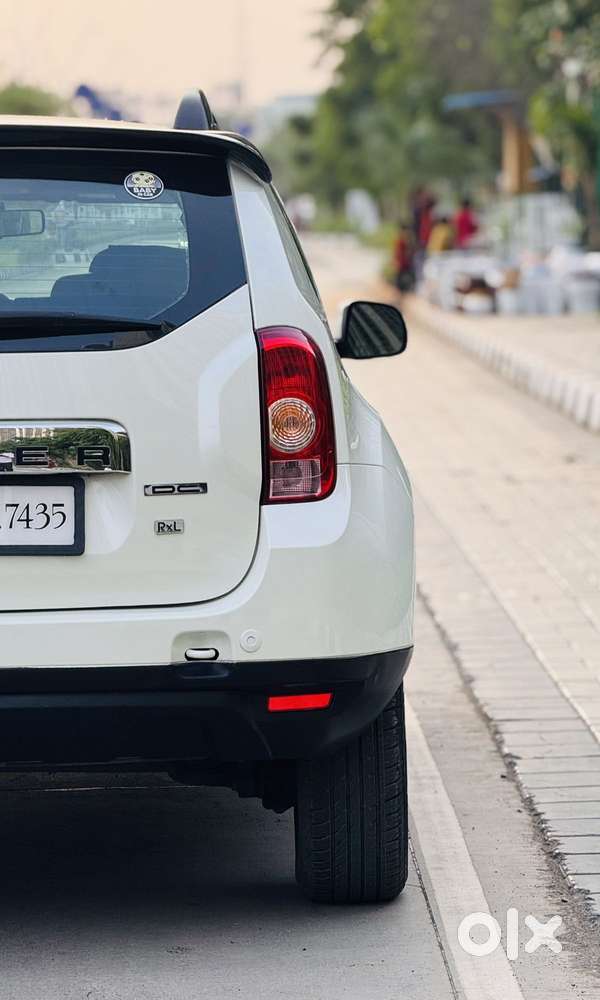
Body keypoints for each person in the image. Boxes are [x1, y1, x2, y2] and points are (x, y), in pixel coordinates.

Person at [392, 220, 415, 291]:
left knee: (402, 278)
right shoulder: (403, 239)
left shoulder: (401, 238)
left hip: (404, 263)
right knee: (401, 279)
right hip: (403, 263)